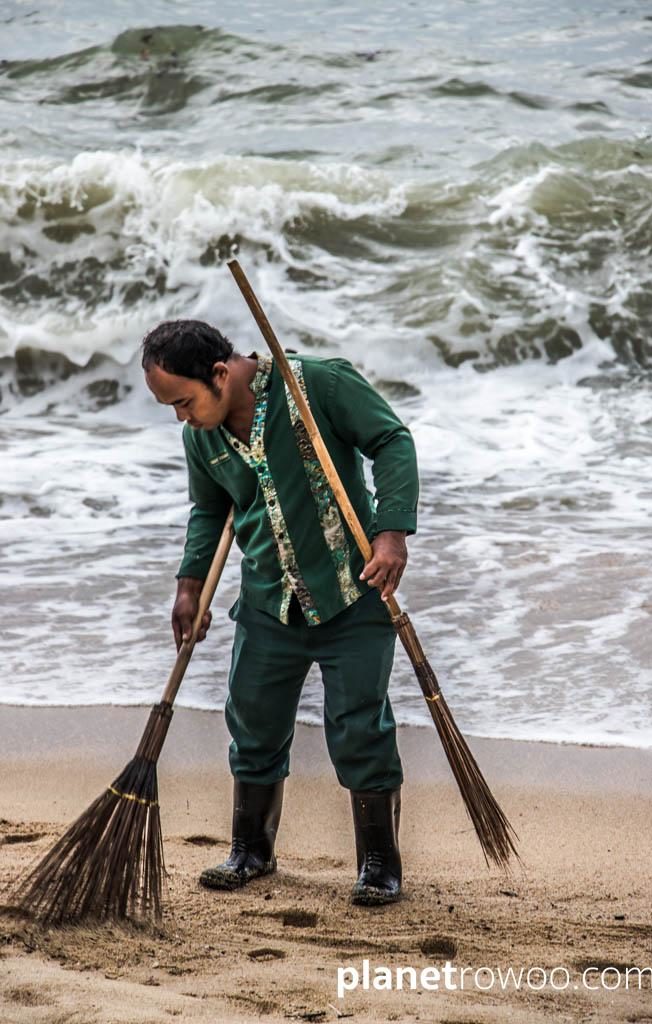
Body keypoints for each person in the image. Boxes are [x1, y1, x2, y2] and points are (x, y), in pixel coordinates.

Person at [142, 318, 419, 905]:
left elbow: (392, 440)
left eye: (185, 402)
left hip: (352, 590)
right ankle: (252, 851)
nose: (181, 418)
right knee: (253, 718)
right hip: (269, 598)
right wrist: (190, 587)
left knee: (359, 727)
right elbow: (208, 510)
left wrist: (392, 534)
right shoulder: (203, 436)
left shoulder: (316, 386)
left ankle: (378, 863)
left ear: (220, 374)